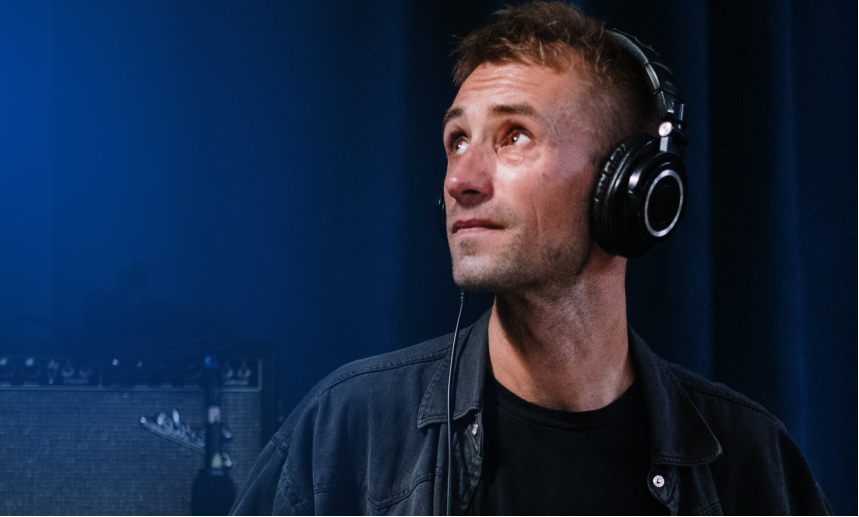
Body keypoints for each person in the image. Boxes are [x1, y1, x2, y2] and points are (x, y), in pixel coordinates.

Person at [231, 2, 830, 515]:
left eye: (514, 135)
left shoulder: (752, 462)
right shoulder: (346, 434)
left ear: (630, 189)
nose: (459, 180)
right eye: (457, 141)